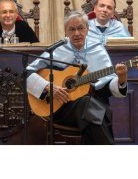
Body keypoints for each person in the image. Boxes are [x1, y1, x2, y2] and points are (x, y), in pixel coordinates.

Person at [27, 11, 128, 144]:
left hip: (93, 103)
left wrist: (121, 79)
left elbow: (107, 86)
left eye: (80, 28)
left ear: (87, 29)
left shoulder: (97, 49)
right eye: (72, 29)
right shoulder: (57, 49)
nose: (76, 33)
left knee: (88, 106)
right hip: (62, 108)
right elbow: (28, 73)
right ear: (66, 32)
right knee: (92, 109)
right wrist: (48, 87)